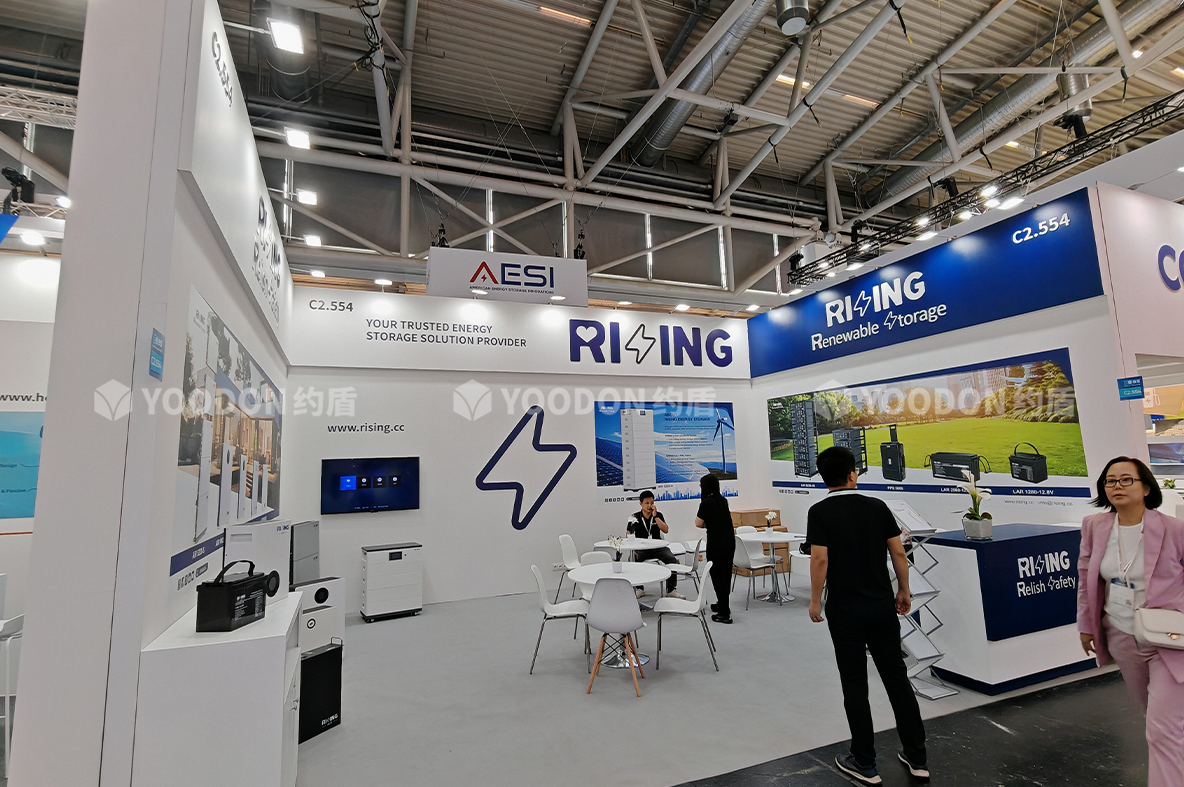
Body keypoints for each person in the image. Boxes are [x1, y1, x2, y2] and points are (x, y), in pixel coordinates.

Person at [807, 446, 928, 785]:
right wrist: (904, 590)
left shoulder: (819, 512)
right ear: (852, 474)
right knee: (897, 679)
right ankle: (917, 757)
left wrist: (815, 601)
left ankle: (865, 762)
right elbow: (898, 553)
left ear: (824, 478)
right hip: (880, 606)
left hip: (844, 609)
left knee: (855, 684)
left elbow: (819, 559)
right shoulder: (877, 506)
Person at [1077, 456, 1184, 787]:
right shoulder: (1095, 526)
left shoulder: (1173, 529)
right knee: (1154, 715)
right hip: (1122, 634)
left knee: (1162, 730)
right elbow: (1086, 576)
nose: (1117, 486)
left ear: (1146, 488)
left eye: (1126, 480)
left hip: (1168, 637)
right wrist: (1086, 625)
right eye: (1110, 481)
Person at [626, 490, 684, 599]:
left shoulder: (658, 515)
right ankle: (639, 588)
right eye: (647, 503)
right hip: (642, 549)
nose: (649, 505)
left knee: (671, 559)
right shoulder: (634, 517)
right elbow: (628, 534)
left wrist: (656, 516)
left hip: (658, 547)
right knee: (632, 559)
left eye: (652, 503)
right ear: (641, 504)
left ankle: (671, 590)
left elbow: (665, 530)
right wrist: (633, 549)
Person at [694, 473, 735, 624]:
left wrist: (709, 524)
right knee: (725, 574)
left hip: (716, 543)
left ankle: (724, 613)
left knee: (717, 576)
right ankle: (722, 603)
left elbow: (698, 523)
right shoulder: (723, 501)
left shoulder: (706, 503)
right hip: (729, 542)